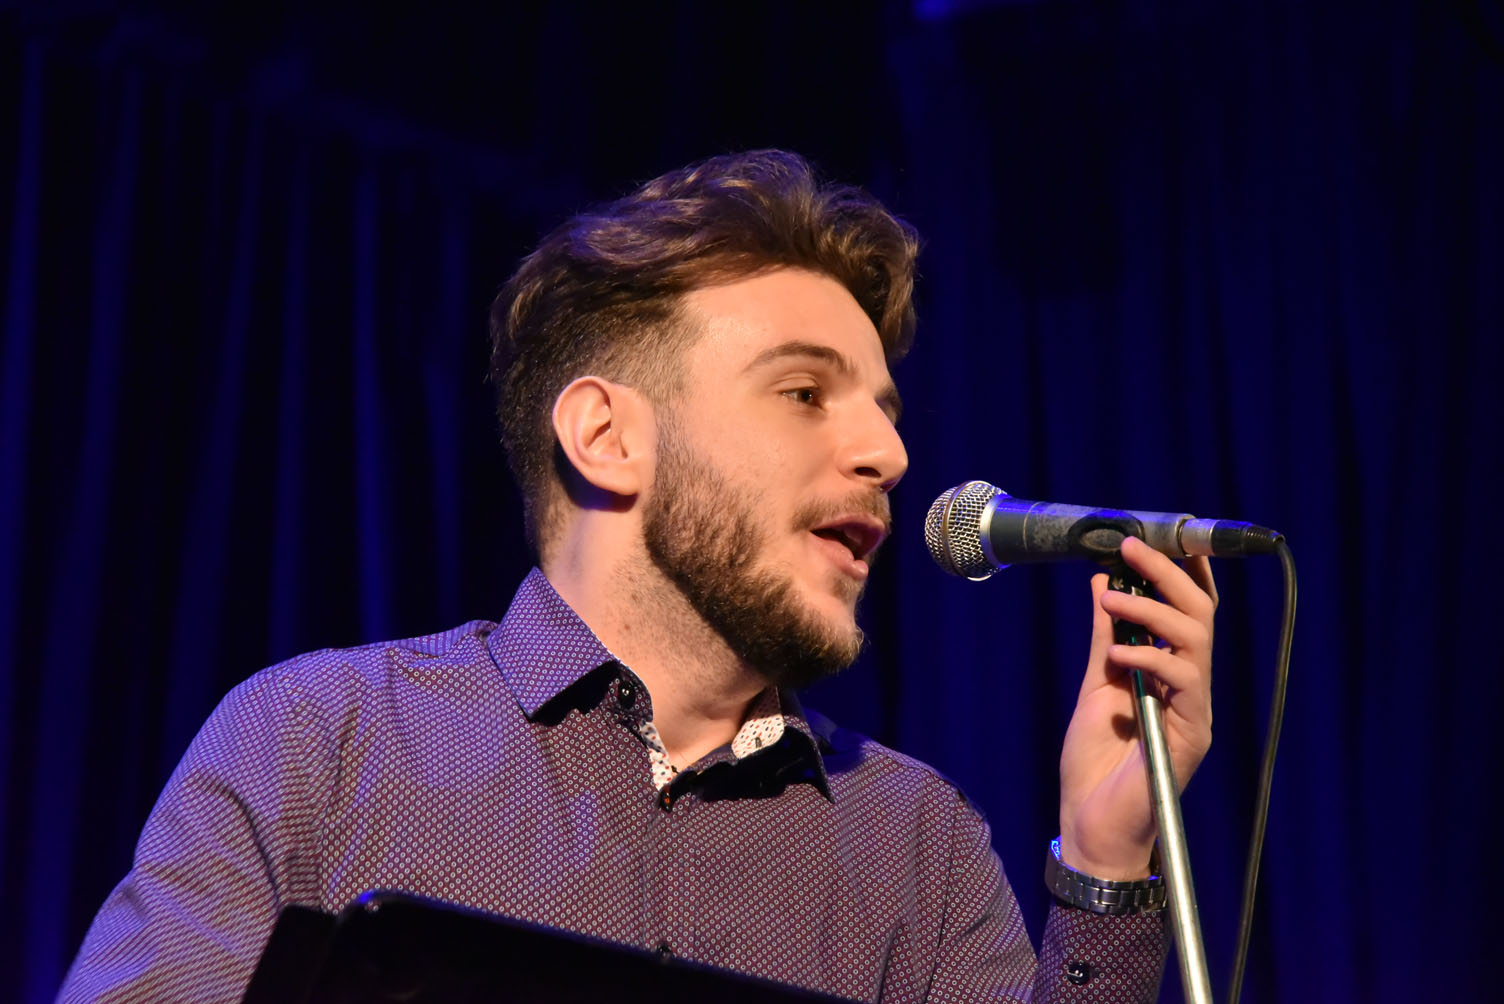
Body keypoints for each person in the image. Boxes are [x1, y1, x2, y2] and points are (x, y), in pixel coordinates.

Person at [58, 150, 1216, 1002]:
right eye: (804, 391)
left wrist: (1105, 859)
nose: (888, 453)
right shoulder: (322, 747)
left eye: (883, 408)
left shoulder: (921, 845)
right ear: (607, 437)